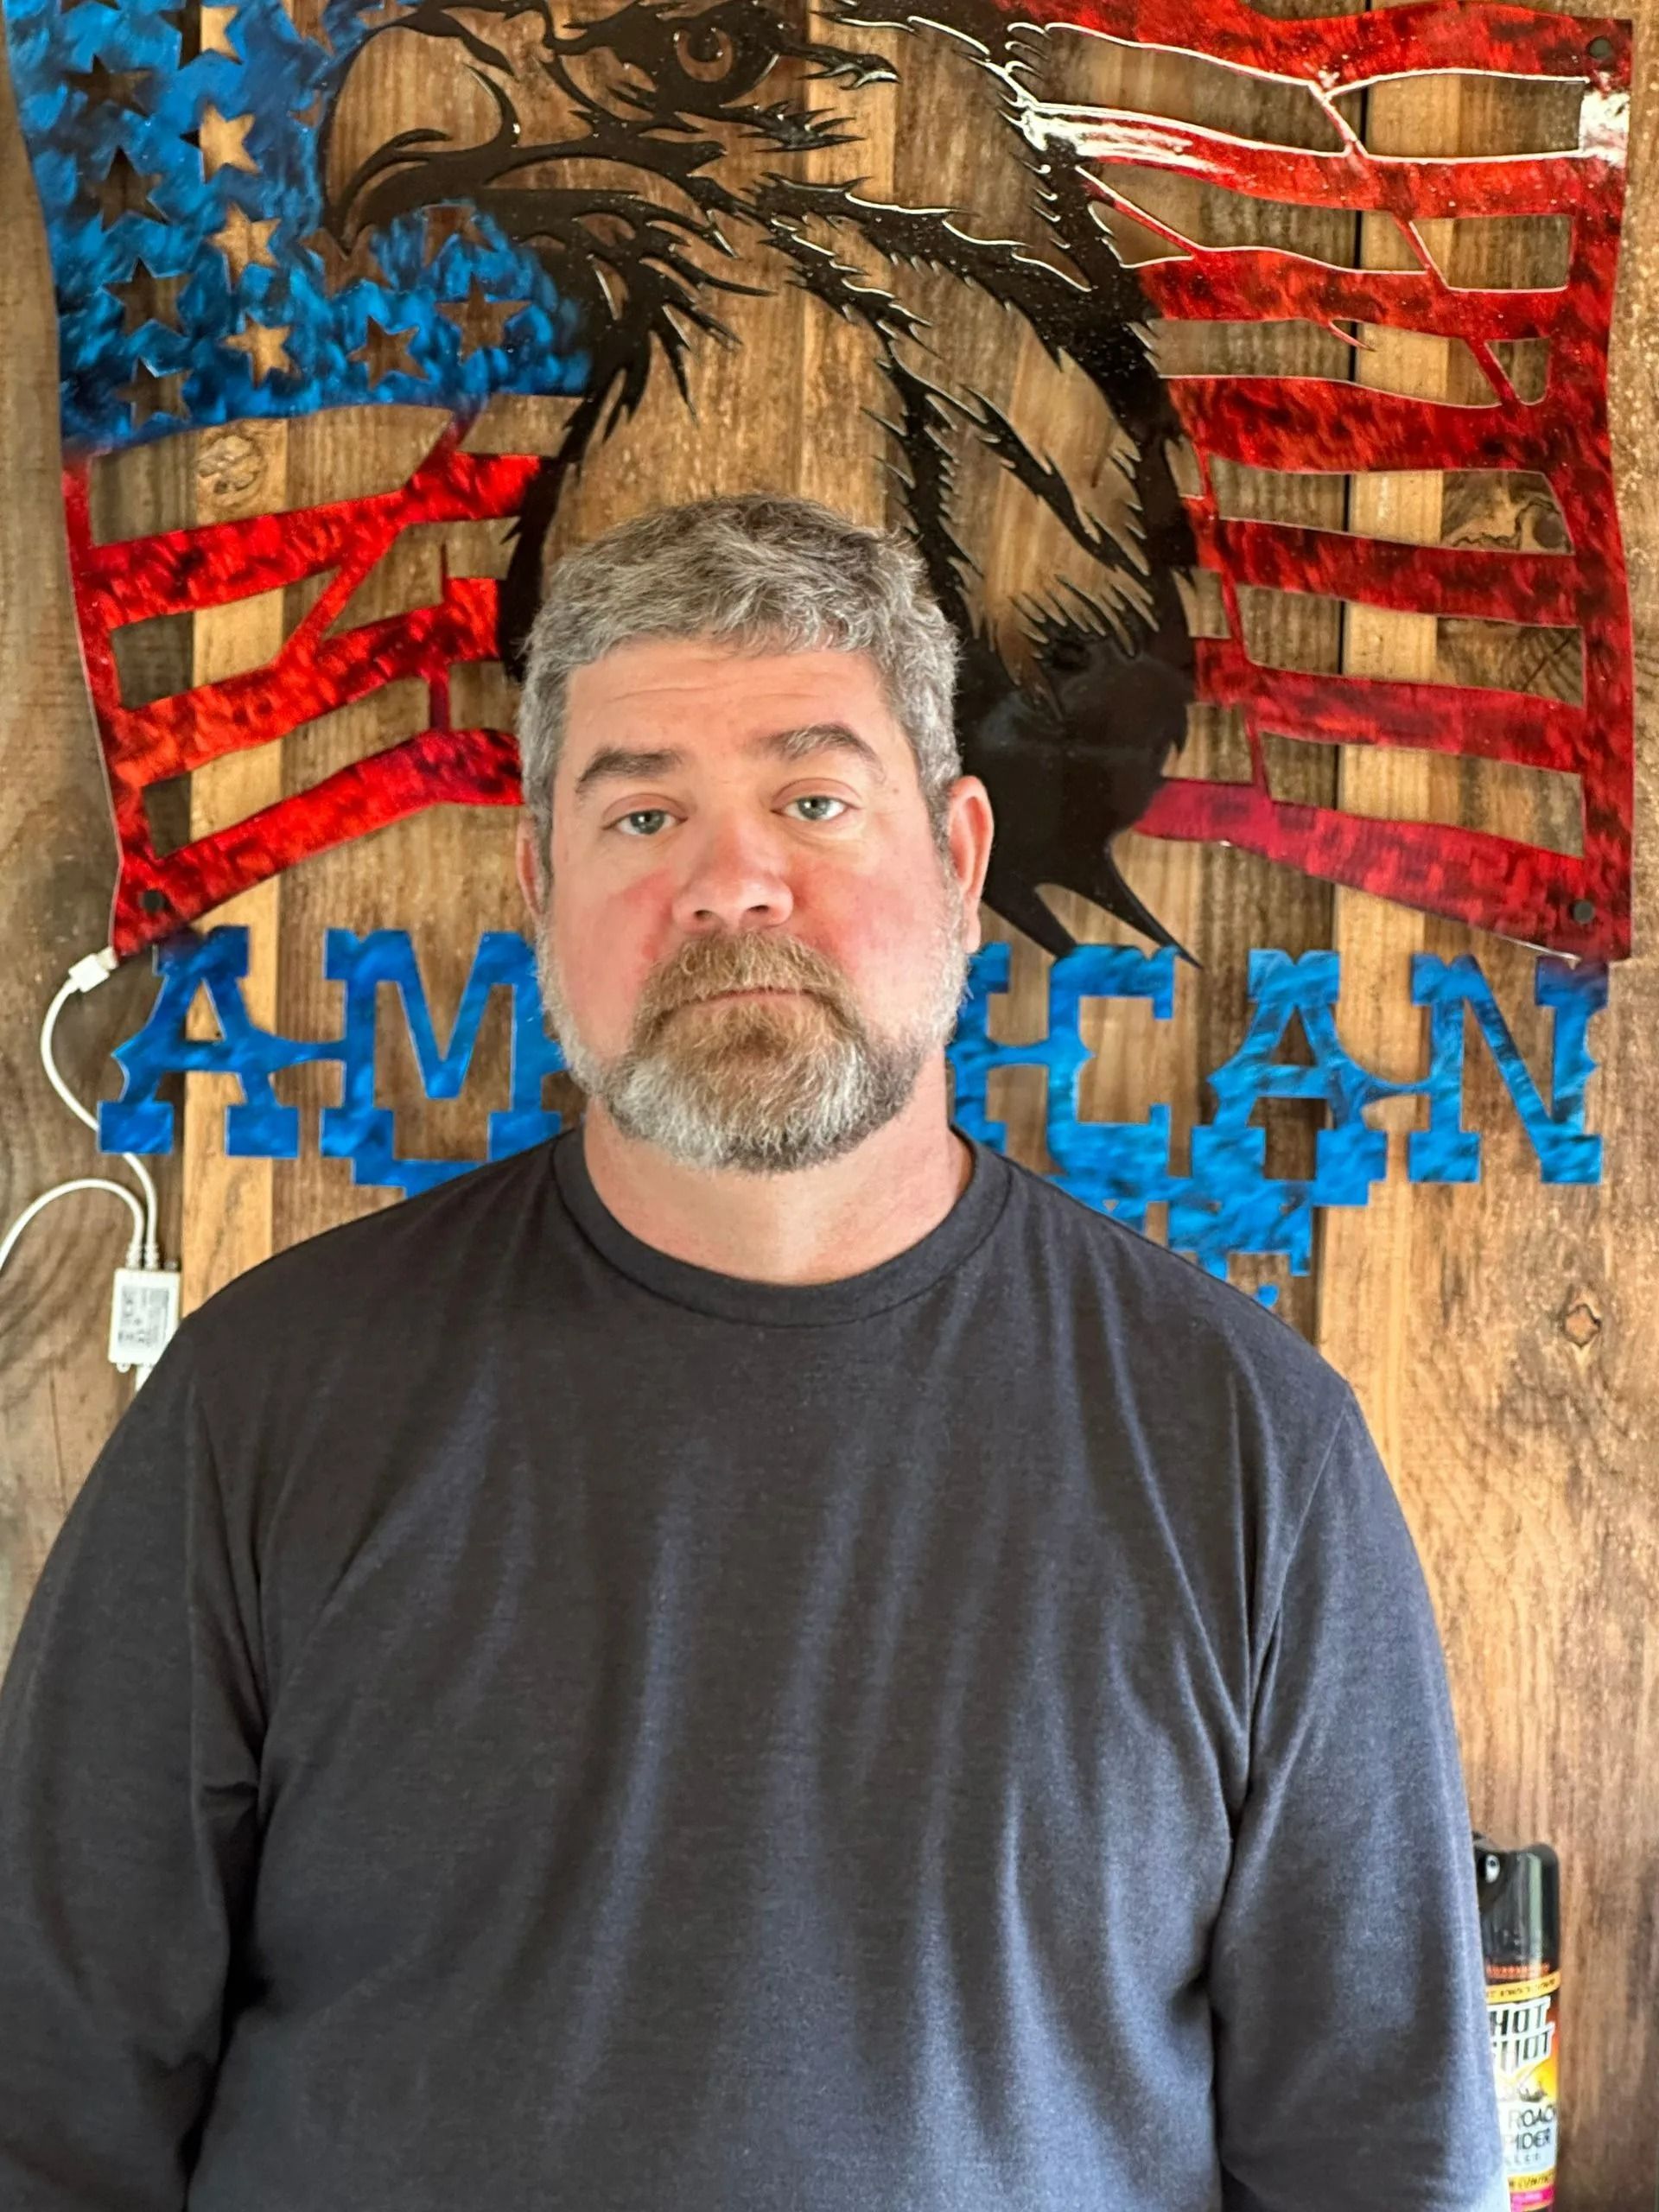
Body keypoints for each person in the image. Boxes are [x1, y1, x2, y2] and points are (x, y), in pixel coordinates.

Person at [0, 492, 1507, 2211]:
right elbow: (47, 2105)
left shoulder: (1253, 1456)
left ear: (955, 855)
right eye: (644, 810)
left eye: (813, 796)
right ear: (539, 883)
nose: (730, 881)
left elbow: (1378, 2157)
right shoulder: (257, 1408)